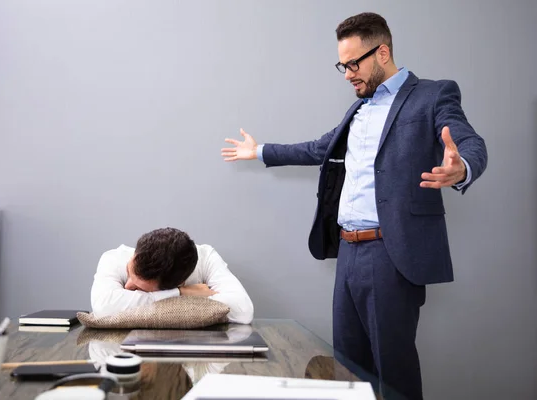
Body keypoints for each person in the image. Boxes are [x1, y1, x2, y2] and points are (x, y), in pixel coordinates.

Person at [221, 12, 487, 400]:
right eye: (341, 65)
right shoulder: (358, 109)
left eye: (352, 64)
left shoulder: (433, 95)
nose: (346, 74)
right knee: (347, 366)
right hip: (348, 251)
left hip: (391, 252)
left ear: (382, 52)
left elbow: (470, 142)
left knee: (392, 369)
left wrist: (460, 166)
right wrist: (259, 151)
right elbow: (319, 148)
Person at [90, 227, 254, 324]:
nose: (127, 286)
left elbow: (243, 310)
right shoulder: (113, 257)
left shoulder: (207, 258)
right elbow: (104, 308)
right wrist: (182, 294)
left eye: (140, 287)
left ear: (180, 282)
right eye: (129, 272)